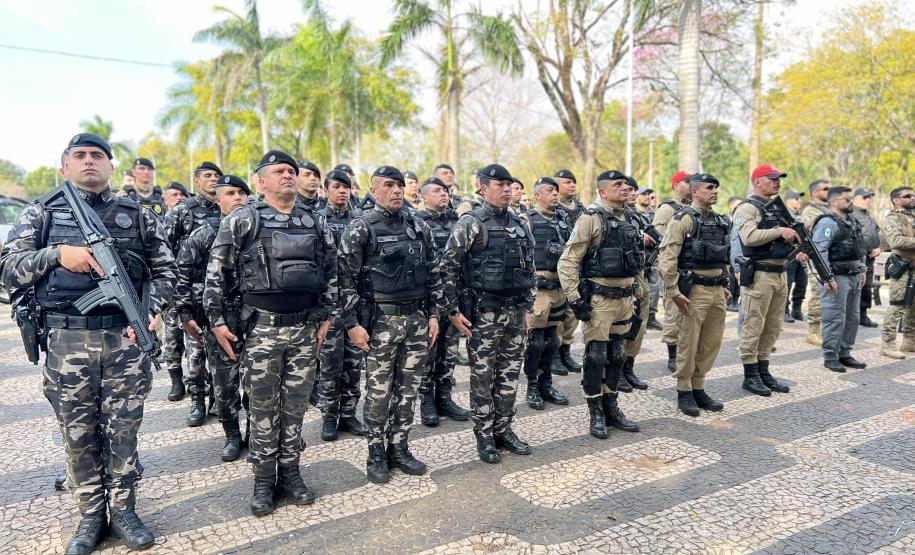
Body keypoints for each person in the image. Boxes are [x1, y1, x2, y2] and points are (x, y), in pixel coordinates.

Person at [1, 133, 177, 552]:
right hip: (67, 341)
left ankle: (125, 511)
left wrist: (150, 312)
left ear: (113, 167)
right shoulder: (41, 213)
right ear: (65, 166)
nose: (89, 161)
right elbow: (7, 269)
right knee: (78, 435)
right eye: (78, 155)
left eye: (98, 155)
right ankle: (90, 517)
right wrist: (57, 254)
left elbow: (166, 272)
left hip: (125, 339)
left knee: (124, 431)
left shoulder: (137, 214)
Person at [204, 149, 337, 516]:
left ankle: (291, 472)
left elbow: (331, 271)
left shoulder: (315, 221)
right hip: (261, 329)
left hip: (304, 329)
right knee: (263, 408)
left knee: (295, 406)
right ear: (261, 182)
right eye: (279, 171)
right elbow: (217, 273)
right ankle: (264, 478)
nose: (288, 175)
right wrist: (216, 322)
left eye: (291, 171)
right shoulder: (242, 220)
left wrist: (326, 315)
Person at [339, 165, 445, 483]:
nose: (397, 190)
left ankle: (399, 447)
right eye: (389, 185)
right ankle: (375, 451)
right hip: (380, 322)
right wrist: (351, 324)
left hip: (416, 320)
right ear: (374, 191)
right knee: (379, 391)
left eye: (400, 185)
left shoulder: (418, 225)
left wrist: (435, 314)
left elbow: (434, 271)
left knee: (408, 390)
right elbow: (344, 280)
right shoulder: (361, 227)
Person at [441, 164, 535, 463]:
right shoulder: (470, 223)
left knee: (509, 375)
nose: (507, 189)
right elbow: (447, 270)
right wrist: (453, 312)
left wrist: (530, 308)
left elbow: (529, 268)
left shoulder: (521, 223)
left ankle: (504, 428)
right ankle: (484, 435)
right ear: (482, 187)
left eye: (509, 184)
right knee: (482, 377)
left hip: (515, 313)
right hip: (483, 314)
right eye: (499, 184)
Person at [557, 170, 641, 440]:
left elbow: (635, 258)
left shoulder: (631, 218)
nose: (625, 188)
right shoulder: (591, 219)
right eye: (618, 185)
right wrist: (575, 299)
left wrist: (637, 288)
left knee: (618, 354)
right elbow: (568, 260)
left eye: (627, 185)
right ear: (603, 192)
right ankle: (595, 413)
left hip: (625, 298)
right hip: (600, 299)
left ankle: (611, 407)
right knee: (596, 356)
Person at [174, 174, 250, 460]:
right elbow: (182, 274)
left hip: (254, 320)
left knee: (256, 384)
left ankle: (254, 433)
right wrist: (184, 313)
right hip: (218, 320)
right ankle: (232, 435)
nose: (238, 198)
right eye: (230, 193)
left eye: (243, 193)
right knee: (224, 384)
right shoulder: (204, 234)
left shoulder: (258, 231)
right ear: (218, 200)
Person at [657, 173, 730, 416]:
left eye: (716, 187)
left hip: (717, 288)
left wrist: (726, 282)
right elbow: (667, 258)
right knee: (688, 343)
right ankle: (684, 390)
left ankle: (699, 387)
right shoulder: (683, 220)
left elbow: (724, 255)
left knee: (710, 343)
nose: (715, 191)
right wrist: (673, 291)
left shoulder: (721, 221)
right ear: (695, 192)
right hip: (693, 291)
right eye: (710, 187)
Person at [734, 164, 808, 396]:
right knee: (753, 324)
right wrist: (779, 231)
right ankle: (750, 375)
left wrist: (798, 249)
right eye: (772, 178)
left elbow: (785, 240)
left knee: (773, 326)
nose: (777, 182)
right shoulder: (746, 208)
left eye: (778, 179)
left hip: (780, 272)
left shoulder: (778, 208)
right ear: (757, 182)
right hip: (759, 275)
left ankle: (764, 371)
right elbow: (749, 237)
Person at [164, 162, 225, 417]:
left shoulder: (228, 209)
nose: (213, 180)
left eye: (216, 176)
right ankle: (197, 401)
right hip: (193, 289)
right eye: (207, 176)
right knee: (196, 353)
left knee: (222, 352)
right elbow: (165, 251)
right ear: (196, 181)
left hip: (222, 291)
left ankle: (220, 402)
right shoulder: (182, 211)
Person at [315, 169, 368, 441]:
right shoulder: (317, 220)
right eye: (336, 186)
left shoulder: (360, 221)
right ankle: (329, 416)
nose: (342, 191)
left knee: (353, 362)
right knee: (330, 364)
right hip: (329, 307)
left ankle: (349, 414)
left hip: (354, 305)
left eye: (346, 187)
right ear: (326, 190)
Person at [414, 177, 471, 426]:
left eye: (445, 190)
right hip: (429, 300)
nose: (443, 194)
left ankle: (445, 397)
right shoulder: (416, 223)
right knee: (429, 351)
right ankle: (427, 400)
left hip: (453, 297)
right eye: (436, 191)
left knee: (449, 351)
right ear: (423, 196)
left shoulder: (458, 222)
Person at [520, 177, 571, 410]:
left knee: (552, 340)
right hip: (538, 290)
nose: (555, 194)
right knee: (535, 341)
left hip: (559, 287)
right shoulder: (526, 220)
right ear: (537, 195)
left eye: (556, 191)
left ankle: (546, 382)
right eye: (550, 190)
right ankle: (531, 385)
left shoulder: (563, 220)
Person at [811, 186, 867, 372]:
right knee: (834, 317)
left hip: (854, 274)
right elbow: (820, 252)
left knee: (852, 317)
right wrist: (827, 278)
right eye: (847, 199)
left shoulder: (851, 221)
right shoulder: (827, 223)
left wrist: (862, 269)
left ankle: (844, 352)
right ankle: (830, 356)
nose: (851, 202)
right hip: (837, 276)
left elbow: (860, 247)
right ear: (834, 202)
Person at [652, 170, 693, 372]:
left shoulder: (694, 209)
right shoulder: (667, 209)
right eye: (687, 181)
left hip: (693, 270)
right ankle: (672, 353)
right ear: (676, 185)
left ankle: (686, 350)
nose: (691, 184)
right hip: (674, 268)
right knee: (672, 312)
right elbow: (659, 240)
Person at [619, 179, 653, 392]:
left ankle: (629, 368)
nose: (631, 193)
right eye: (628, 190)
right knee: (622, 326)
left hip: (642, 275)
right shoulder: (610, 217)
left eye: (633, 190)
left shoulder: (638, 217)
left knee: (638, 326)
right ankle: (618, 370)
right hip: (622, 278)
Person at [551, 169, 585, 375]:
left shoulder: (581, 209)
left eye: (574, 182)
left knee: (572, 315)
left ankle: (566, 351)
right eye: (567, 182)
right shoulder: (553, 208)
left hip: (577, 270)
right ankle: (554, 354)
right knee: (556, 316)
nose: (572, 185)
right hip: (556, 270)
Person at [880, 186, 915, 359]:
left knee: (913, 307)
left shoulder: (912, 216)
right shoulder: (892, 217)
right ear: (896, 200)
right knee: (897, 305)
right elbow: (895, 241)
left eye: (913, 194)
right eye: (907, 196)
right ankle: (887, 344)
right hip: (902, 266)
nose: (913, 198)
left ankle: (909, 341)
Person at [800, 179, 831, 345]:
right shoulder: (810, 211)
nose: (829, 191)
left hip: (829, 257)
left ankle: (825, 330)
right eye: (825, 189)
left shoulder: (828, 209)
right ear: (815, 193)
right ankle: (813, 331)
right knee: (818, 293)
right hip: (815, 258)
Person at [850, 188, 881, 328]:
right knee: (855, 287)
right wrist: (868, 249)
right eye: (864, 197)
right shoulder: (851, 213)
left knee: (866, 287)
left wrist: (879, 248)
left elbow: (877, 232)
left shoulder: (869, 215)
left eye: (869, 197)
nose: (868, 200)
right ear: (855, 198)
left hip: (870, 258)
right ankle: (852, 317)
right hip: (857, 257)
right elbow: (853, 236)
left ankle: (863, 315)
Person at [636, 186, 662, 330]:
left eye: (649, 194)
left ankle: (651, 317)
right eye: (643, 194)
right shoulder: (633, 215)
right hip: (641, 261)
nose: (647, 196)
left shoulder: (652, 215)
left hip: (653, 258)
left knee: (654, 289)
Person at [783, 190, 808, 323]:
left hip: (801, 253)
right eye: (797, 199)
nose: (799, 201)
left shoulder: (799, 214)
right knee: (787, 283)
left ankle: (796, 309)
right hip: (790, 253)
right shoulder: (784, 213)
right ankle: (784, 310)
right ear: (789, 200)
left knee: (802, 283)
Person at [726, 196, 744, 312]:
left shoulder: (741, 217)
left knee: (737, 277)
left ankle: (735, 301)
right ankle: (730, 301)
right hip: (729, 252)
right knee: (732, 277)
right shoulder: (727, 218)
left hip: (738, 252)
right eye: (737, 205)